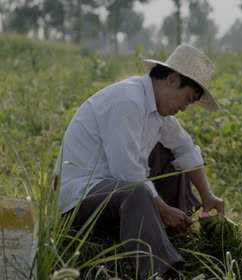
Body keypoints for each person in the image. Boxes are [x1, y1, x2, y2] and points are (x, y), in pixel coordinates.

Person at [53, 44, 225, 279]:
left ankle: (172, 231)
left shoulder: (157, 109)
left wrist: (207, 196)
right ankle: (161, 271)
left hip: (115, 193)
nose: (185, 108)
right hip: (81, 197)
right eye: (187, 99)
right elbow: (126, 172)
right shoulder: (128, 101)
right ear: (173, 80)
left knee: (172, 158)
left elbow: (184, 147)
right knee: (136, 191)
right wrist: (162, 209)